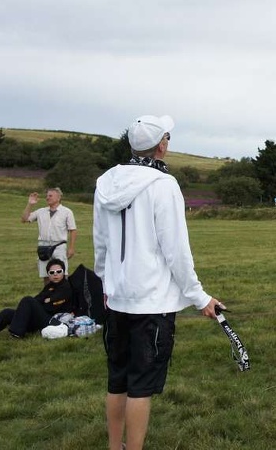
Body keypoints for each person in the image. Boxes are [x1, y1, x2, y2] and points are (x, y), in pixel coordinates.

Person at [93, 114, 223, 450]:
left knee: (117, 379)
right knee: (140, 385)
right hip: (152, 303)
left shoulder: (106, 182)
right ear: (161, 146)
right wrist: (200, 297)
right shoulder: (164, 185)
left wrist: (106, 285)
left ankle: (114, 446)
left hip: (117, 298)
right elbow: (176, 250)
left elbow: (101, 244)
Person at [0, 258, 74, 339]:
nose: (55, 274)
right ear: (48, 274)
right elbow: (39, 299)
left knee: (28, 300)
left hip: (53, 322)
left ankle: (16, 333)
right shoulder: (50, 286)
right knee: (7, 312)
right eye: (52, 272)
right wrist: (43, 302)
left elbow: (50, 306)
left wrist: (44, 301)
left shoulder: (66, 287)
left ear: (63, 272)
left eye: (58, 271)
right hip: (40, 317)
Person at [21, 187, 78, 281]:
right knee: (46, 275)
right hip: (43, 246)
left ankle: (63, 294)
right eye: (47, 196)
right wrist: (30, 204)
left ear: (58, 197)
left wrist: (71, 248)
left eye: (50, 196)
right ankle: (48, 294)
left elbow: (73, 230)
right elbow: (24, 219)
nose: (47, 198)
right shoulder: (41, 211)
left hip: (59, 246)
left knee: (62, 275)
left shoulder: (66, 212)